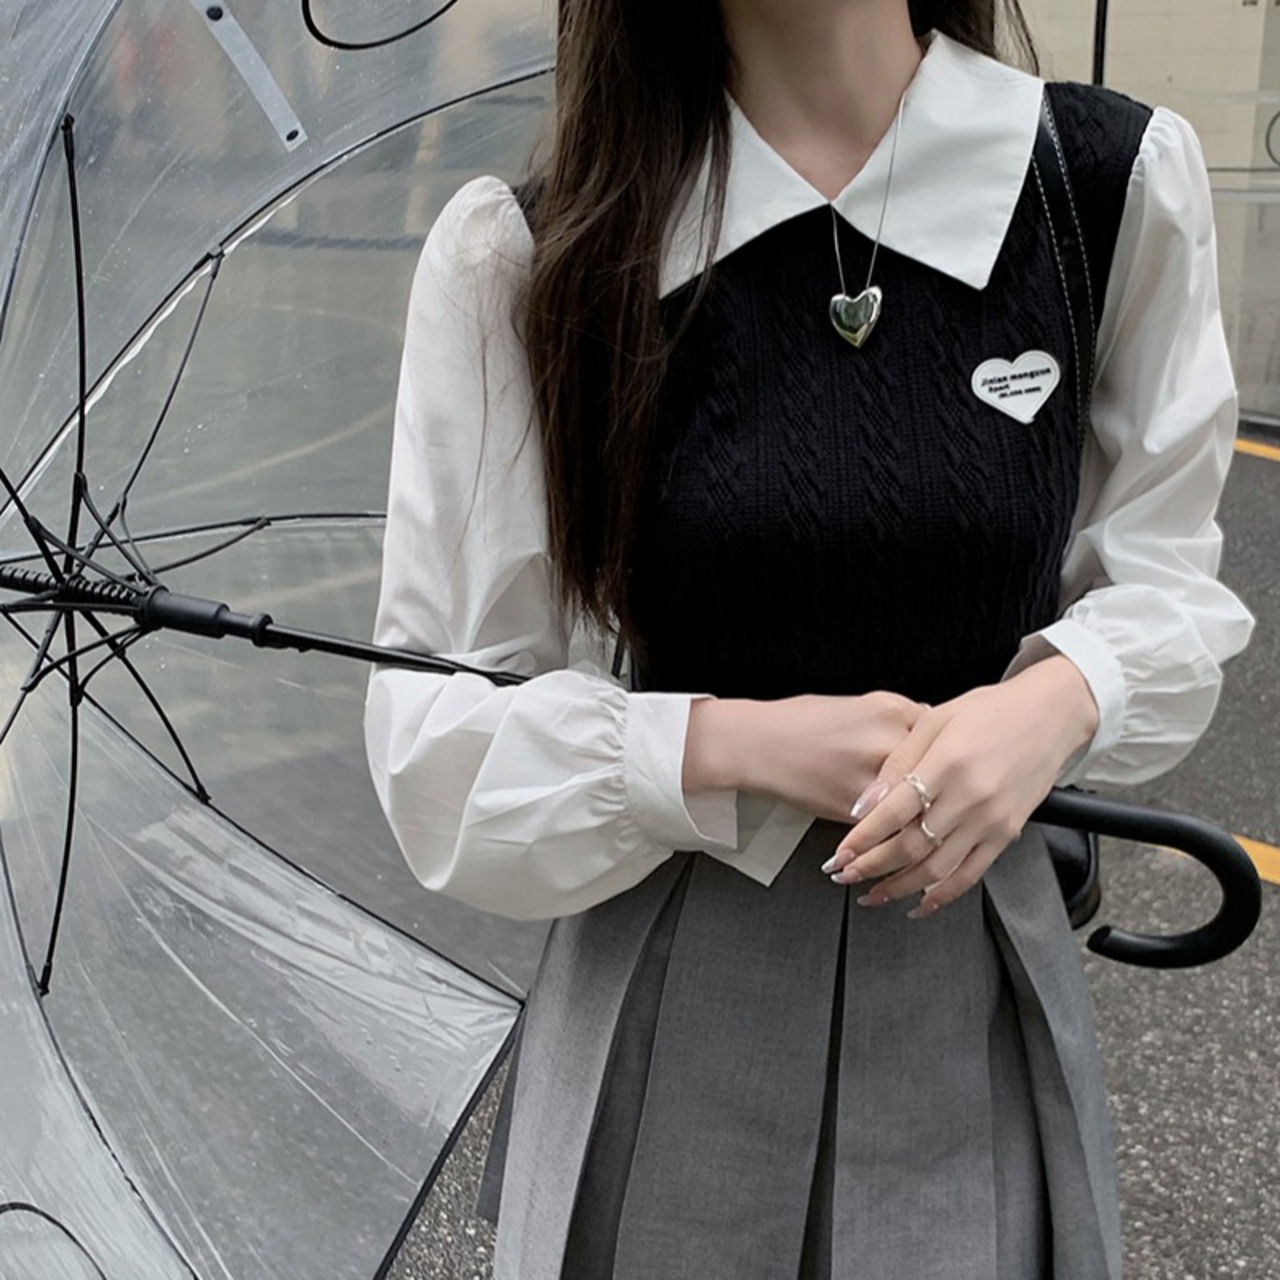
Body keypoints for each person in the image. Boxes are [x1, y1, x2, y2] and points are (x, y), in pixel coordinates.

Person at [364, 0, 1255, 1275]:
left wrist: (1055, 696)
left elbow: (1165, 583)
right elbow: (437, 733)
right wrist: (732, 744)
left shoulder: (1103, 186)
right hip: (672, 964)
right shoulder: (533, 249)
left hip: (969, 958)